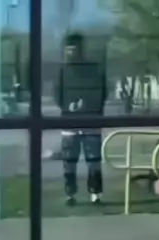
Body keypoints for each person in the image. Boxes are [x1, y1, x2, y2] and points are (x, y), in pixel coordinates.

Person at [55, 32, 107, 206]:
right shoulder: (63, 70)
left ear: (81, 49)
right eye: (68, 49)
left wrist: (91, 107)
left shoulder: (94, 69)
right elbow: (57, 94)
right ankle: (70, 193)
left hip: (91, 122)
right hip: (69, 123)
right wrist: (67, 107)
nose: (70, 52)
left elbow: (102, 92)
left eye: (73, 49)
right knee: (69, 161)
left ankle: (95, 193)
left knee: (94, 161)